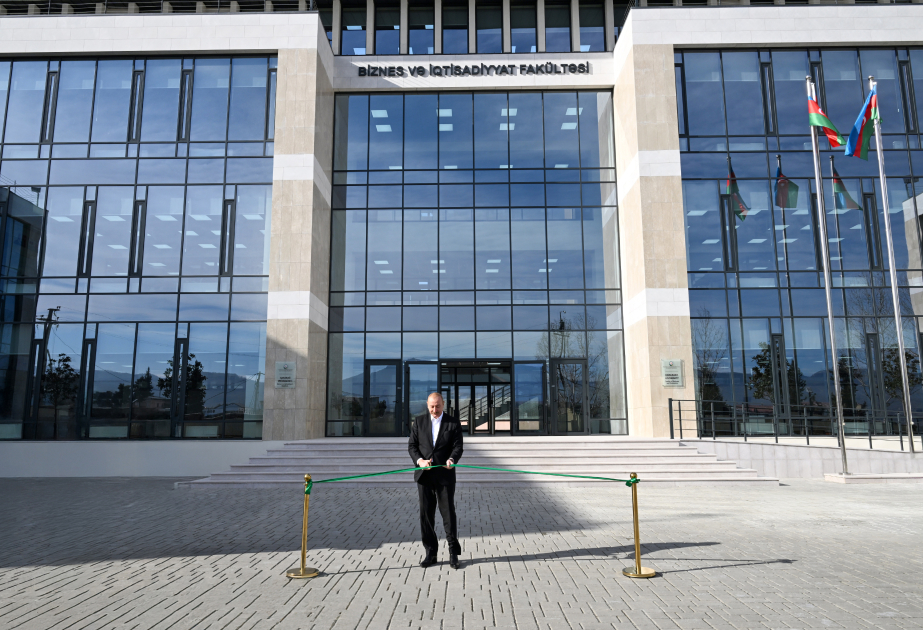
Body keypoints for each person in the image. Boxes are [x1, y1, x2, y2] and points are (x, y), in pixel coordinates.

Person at [408, 392, 464, 569]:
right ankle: (430, 552)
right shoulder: (419, 422)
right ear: (427, 405)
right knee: (426, 515)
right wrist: (420, 461)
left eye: (438, 406)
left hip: (444, 475)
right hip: (424, 476)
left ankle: (453, 553)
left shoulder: (453, 423)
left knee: (448, 514)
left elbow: (458, 446)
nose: (434, 410)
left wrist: (452, 459)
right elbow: (412, 446)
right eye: (432, 406)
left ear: (443, 404)